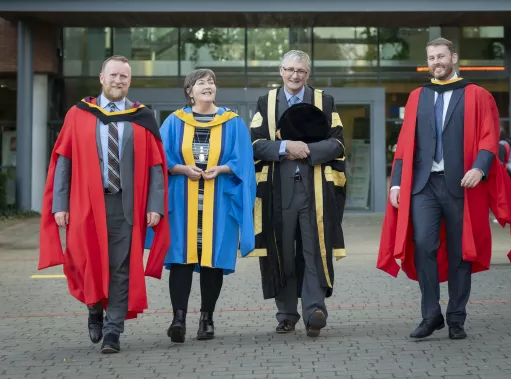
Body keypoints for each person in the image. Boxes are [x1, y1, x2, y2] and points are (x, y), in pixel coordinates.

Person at [377, 38, 511, 340]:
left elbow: (489, 136)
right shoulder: (418, 96)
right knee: (423, 246)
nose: (437, 62)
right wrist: (396, 183)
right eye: (431, 57)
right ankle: (430, 314)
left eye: (441, 56)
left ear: (454, 57)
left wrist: (480, 168)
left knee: (461, 253)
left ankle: (456, 317)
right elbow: (406, 144)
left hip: (461, 184)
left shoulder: (477, 95)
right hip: (423, 185)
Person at [39, 55, 170, 353]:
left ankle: (113, 329)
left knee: (122, 267)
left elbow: (155, 166)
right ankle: (94, 310)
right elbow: (64, 161)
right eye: (113, 75)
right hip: (85, 205)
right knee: (86, 261)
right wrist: (60, 204)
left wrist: (155, 205)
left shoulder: (142, 117)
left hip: (126, 205)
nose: (118, 81)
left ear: (129, 81)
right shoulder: (79, 114)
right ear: (101, 77)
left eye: (124, 76)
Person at [145, 69, 256, 343]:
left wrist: (222, 168)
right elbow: (159, 159)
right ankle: (178, 319)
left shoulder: (233, 122)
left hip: (219, 204)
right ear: (189, 91)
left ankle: (207, 319)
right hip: (183, 203)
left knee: (212, 261)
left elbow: (244, 161)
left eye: (211, 82)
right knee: (181, 259)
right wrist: (182, 168)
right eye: (201, 82)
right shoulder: (174, 122)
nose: (208, 86)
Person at [249, 50, 346, 338]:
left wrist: (308, 150)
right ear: (281, 70)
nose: (295, 75)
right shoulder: (266, 103)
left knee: (313, 250)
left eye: (301, 71)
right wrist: (284, 147)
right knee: (282, 253)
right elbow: (254, 144)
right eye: (290, 69)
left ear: (308, 73)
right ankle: (287, 314)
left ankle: (315, 311)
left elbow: (338, 144)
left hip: (315, 190)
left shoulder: (324, 101)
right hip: (278, 191)